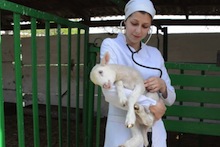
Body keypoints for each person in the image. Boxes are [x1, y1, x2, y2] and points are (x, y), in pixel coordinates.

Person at [99, 0, 176, 146]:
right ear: (125, 21)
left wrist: (162, 86)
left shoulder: (155, 54)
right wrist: (153, 105)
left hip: (154, 130)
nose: (138, 31)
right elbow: (110, 92)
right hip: (122, 128)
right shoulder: (111, 46)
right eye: (134, 23)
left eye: (145, 26)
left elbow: (170, 98)